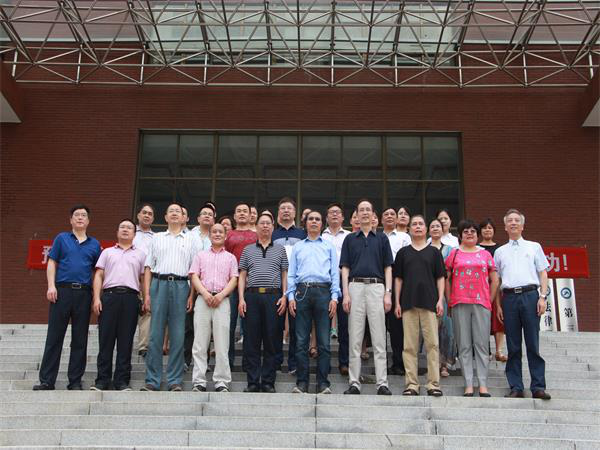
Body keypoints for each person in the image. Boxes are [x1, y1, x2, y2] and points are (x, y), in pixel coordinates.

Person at [33, 205, 101, 391]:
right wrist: (51, 286)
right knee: (54, 337)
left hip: (84, 294)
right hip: (62, 292)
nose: (80, 218)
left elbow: (98, 272)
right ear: (71, 220)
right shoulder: (62, 238)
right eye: (76, 215)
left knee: (80, 339)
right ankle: (47, 380)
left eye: (83, 215)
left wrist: (96, 296)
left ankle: (75, 381)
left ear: (88, 221)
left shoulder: (94, 244)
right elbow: (52, 262)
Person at [494, 209, 551, 400]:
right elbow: (497, 280)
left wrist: (542, 297)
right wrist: (498, 305)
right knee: (513, 345)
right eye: (509, 220)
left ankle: (538, 386)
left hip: (530, 296)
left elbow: (543, 273)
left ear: (522, 225)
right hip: (509, 298)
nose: (513, 223)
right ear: (505, 226)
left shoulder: (534, 247)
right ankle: (516, 386)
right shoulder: (500, 251)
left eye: (516, 220)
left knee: (533, 343)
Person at [340, 199, 393, 396]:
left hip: (377, 287)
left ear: (373, 215)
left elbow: (388, 267)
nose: (364, 213)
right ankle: (354, 382)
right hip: (355, 287)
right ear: (356, 215)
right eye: (360, 210)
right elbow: (345, 268)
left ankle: (382, 383)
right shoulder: (349, 239)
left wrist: (388, 293)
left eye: (367, 210)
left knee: (379, 338)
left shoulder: (382, 239)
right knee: (355, 337)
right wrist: (346, 293)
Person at [141, 203, 194, 392]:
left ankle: (174, 380)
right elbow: (148, 268)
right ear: (165, 217)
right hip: (159, 284)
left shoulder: (191, 240)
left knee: (178, 335)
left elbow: (194, 271)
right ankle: (152, 380)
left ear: (183, 217)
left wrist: (191, 295)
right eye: (171, 211)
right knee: (155, 335)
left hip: (181, 285)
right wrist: (147, 294)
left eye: (178, 211)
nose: (174, 214)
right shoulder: (156, 238)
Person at [288, 210, 340, 394]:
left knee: (324, 342)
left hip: (323, 292)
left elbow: (335, 274)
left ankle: (323, 383)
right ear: (306, 223)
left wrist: (334, 297)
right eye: (311, 219)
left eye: (318, 219)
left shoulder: (328, 247)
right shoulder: (298, 247)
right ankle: (302, 383)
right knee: (301, 341)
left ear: (322, 223)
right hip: (302, 292)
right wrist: (290, 297)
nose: (314, 222)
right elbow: (291, 274)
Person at [445, 219, 499, 397]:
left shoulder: (485, 254)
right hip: (459, 302)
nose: (469, 234)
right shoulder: (454, 254)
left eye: (473, 231)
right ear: (460, 235)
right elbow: (446, 279)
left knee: (482, 344)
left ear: (477, 235)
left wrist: (489, 300)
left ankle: (483, 384)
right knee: (464, 345)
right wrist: (449, 300)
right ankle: (468, 383)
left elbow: (495, 280)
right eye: (465, 231)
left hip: (481, 303)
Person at [91, 219, 146, 391]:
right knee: (105, 340)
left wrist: (146, 298)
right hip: (109, 297)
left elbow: (143, 279)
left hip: (130, 299)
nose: (125, 230)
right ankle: (102, 380)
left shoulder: (141, 254)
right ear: (117, 232)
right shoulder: (107, 252)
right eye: (122, 227)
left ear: (134, 234)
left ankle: (122, 381)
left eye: (129, 228)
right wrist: (96, 298)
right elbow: (99, 275)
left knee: (126, 341)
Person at [394, 214, 445, 397]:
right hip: (408, 304)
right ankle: (412, 385)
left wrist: (440, 300)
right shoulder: (403, 253)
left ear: (426, 229)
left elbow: (440, 278)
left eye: (420, 224)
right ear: (409, 229)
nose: (417, 226)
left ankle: (433, 384)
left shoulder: (434, 252)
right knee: (409, 347)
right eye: (414, 224)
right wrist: (397, 302)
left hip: (430, 304)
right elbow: (398, 279)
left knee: (433, 345)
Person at [238, 212, 288, 393]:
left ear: (273, 227)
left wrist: (284, 296)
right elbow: (242, 275)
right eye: (262, 223)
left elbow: (284, 274)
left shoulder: (280, 249)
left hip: (273, 298)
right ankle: (252, 382)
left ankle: (268, 381)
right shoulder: (248, 250)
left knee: (272, 339)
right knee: (251, 340)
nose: (265, 226)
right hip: (251, 297)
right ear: (257, 227)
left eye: (268, 223)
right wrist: (241, 298)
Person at [189, 223, 238, 393]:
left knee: (222, 343)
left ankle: (222, 381)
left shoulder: (231, 258)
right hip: (203, 300)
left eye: (220, 232)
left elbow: (234, 279)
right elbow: (194, 276)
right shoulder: (200, 255)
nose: (217, 234)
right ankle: (199, 381)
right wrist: (205, 293)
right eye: (214, 232)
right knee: (200, 343)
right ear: (209, 235)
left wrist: (221, 295)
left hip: (222, 301)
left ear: (225, 235)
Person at [272, 197, 307, 374]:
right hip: (275, 284)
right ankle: (276, 362)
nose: (286, 211)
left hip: (298, 285)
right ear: (279, 212)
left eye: (289, 208)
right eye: (283, 208)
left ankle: (294, 363)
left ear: (295, 213)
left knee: (296, 327)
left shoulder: (302, 234)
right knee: (275, 326)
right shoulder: (272, 234)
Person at [224, 203, 258, 369]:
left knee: (250, 326)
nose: (242, 213)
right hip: (231, 284)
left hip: (251, 285)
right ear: (235, 216)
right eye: (239, 211)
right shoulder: (228, 235)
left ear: (251, 215)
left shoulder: (256, 235)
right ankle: (228, 361)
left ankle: (248, 362)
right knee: (229, 325)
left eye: (246, 211)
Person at [183, 204, 215, 371]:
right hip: (190, 285)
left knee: (206, 326)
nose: (207, 216)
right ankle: (185, 359)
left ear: (213, 219)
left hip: (209, 288)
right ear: (198, 218)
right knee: (188, 325)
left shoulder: (216, 236)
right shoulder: (189, 236)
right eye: (204, 214)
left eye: (210, 214)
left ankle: (204, 362)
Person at [321, 202, 351, 375]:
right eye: (331, 212)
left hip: (344, 281)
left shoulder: (349, 236)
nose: (334, 215)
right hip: (325, 283)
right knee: (324, 323)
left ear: (342, 217)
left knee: (345, 325)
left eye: (337, 212)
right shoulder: (321, 237)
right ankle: (323, 363)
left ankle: (344, 362)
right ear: (326, 218)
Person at [381, 207, 411, 376]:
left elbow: (408, 260)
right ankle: (380, 364)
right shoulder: (376, 237)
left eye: (393, 214)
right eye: (386, 214)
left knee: (396, 325)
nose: (390, 216)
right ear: (381, 219)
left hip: (397, 280)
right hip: (378, 280)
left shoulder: (404, 237)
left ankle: (398, 363)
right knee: (378, 324)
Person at [428, 218, 454, 378]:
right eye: (432, 226)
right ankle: (433, 363)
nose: (436, 228)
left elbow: (450, 273)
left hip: (445, 293)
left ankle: (444, 364)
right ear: (428, 230)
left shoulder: (450, 250)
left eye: (438, 226)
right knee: (430, 330)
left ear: (442, 229)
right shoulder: (423, 248)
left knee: (446, 330)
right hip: (427, 292)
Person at [479, 218, 507, 362]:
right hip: (480, 287)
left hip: (498, 285)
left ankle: (499, 350)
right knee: (482, 320)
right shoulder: (476, 248)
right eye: (484, 228)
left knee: (498, 317)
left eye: (490, 228)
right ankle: (486, 350)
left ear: (494, 230)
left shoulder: (501, 249)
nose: (487, 230)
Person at [133, 203, 155, 358]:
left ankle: (143, 346)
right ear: (138, 215)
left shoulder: (156, 238)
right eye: (144, 212)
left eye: (150, 214)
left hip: (148, 278)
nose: (147, 215)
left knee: (147, 310)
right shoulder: (130, 232)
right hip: (129, 277)